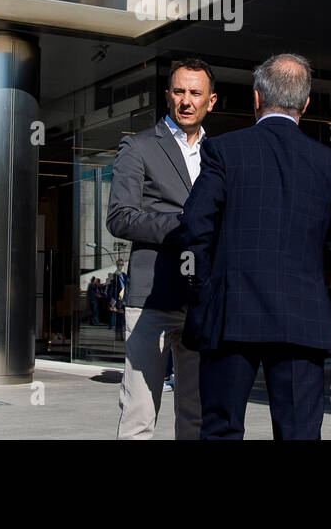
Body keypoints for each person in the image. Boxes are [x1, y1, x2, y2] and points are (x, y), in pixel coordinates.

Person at [169, 53, 331, 440]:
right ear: (305, 105)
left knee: (221, 428)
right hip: (301, 316)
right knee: (298, 433)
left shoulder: (224, 150)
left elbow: (193, 229)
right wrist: (305, 266)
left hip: (231, 313)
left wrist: (204, 287)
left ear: (257, 98)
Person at [106, 58, 219, 440]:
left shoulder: (220, 153)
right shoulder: (137, 147)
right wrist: (181, 225)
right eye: (179, 91)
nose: (186, 101)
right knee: (139, 414)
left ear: (211, 101)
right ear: (168, 95)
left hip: (200, 298)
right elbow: (119, 216)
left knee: (196, 412)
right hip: (150, 298)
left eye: (195, 93)